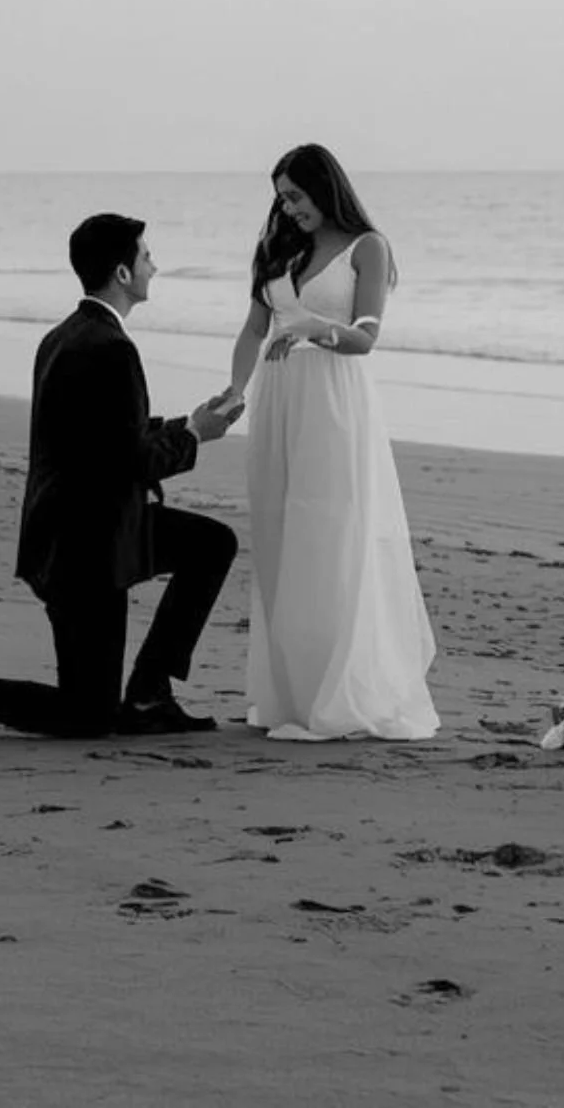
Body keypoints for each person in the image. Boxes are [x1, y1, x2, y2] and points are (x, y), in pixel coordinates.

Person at [0, 213, 243, 741]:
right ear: (123, 273)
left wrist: (186, 423)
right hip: (84, 551)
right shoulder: (110, 348)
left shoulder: (65, 335)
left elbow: (104, 439)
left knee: (211, 543)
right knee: (87, 715)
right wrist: (196, 436)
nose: (155, 265)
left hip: (90, 527)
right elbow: (131, 460)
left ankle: (151, 691)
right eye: (147, 256)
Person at [226, 144, 440, 740]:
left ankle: (338, 692)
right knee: (280, 537)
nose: (288, 208)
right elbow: (253, 328)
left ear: (325, 187)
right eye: (282, 198)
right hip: (278, 403)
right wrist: (236, 390)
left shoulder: (367, 247)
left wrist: (317, 329)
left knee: (330, 535)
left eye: (295, 195)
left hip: (333, 404)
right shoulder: (277, 248)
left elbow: (367, 337)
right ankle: (288, 693)